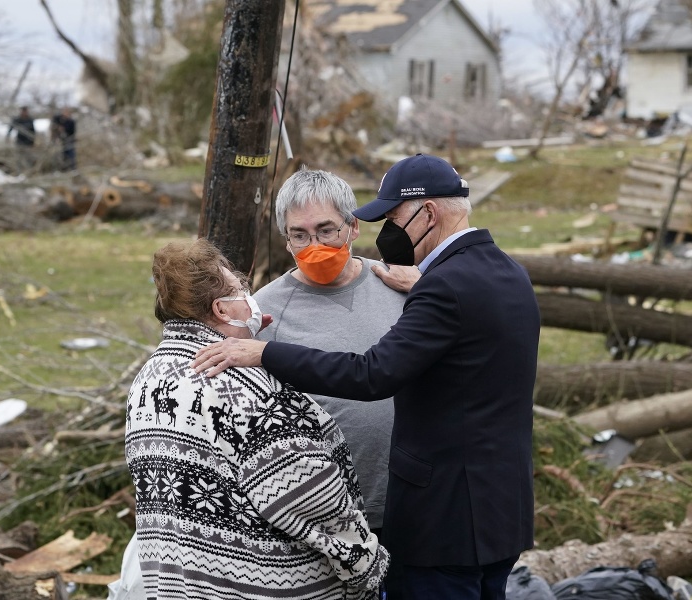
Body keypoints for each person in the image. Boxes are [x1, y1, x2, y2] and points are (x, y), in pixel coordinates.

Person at [193, 154, 541, 600]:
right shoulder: (507, 273)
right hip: (494, 515)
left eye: (393, 218)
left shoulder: (433, 286)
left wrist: (265, 353)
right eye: (298, 234)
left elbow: (372, 374)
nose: (389, 231)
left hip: (440, 521)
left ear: (426, 213)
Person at [124, 238, 389, 599]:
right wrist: (366, 567)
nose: (249, 296)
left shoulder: (149, 379)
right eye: (240, 288)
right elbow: (312, 498)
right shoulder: (248, 390)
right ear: (221, 309)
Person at [253, 167, 406, 541]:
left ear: (353, 227)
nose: (314, 246)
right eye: (299, 235)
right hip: (322, 516)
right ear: (285, 240)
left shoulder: (398, 284)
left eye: (326, 230)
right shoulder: (265, 310)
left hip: (409, 499)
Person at [8, 106, 35, 172]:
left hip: (28, 143)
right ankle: (19, 171)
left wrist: (33, 141)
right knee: (19, 158)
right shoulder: (17, 119)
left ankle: (29, 171)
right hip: (19, 142)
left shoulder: (30, 120)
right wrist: (7, 137)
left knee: (28, 158)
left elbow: (33, 131)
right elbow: (10, 128)